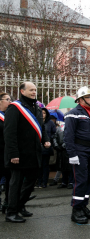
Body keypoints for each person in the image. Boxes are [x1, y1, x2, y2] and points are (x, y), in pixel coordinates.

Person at [4, 82, 51, 223]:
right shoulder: (15, 108)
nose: (34, 92)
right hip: (19, 154)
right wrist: (13, 154)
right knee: (16, 184)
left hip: (33, 153)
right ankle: (11, 212)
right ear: (22, 91)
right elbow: (9, 133)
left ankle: (20, 206)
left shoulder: (36, 107)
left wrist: (45, 140)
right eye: (31, 90)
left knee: (30, 182)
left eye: (35, 90)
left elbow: (41, 127)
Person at [64, 86, 90, 224]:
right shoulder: (73, 113)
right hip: (79, 151)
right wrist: (72, 154)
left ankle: (83, 205)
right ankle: (76, 209)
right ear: (81, 99)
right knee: (81, 179)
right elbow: (68, 136)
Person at [36, 108, 56, 188]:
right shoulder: (37, 122)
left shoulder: (50, 123)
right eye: (41, 113)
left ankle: (44, 182)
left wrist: (48, 140)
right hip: (38, 147)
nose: (42, 114)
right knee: (38, 165)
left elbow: (54, 133)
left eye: (44, 113)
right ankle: (39, 182)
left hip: (46, 146)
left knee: (45, 165)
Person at [52, 121, 73, 189]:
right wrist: (56, 145)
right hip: (60, 150)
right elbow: (55, 136)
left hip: (68, 149)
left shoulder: (71, 127)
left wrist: (64, 145)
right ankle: (64, 182)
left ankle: (71, 182)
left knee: (69, 167)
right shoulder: (59, 127)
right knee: (62, 166)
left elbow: (70, 137)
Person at [0, 92, 12, 214]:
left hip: (8, 153)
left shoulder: (9, 115)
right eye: (7, 99)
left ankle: (8, 202)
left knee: (10, 179)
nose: (10, 101)